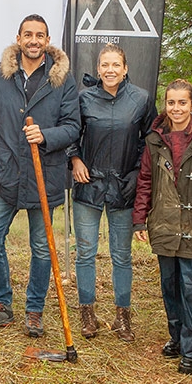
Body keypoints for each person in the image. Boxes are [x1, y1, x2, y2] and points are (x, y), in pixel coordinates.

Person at [0, 15, 80, 337]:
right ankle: (2, 304)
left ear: (47, 41)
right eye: (28, 35)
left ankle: (34, 311)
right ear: (18, 38)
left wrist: (45, 136)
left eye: (40, 36)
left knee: (42, 247)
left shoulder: (62, 80)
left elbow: (73, 126)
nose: (34, 41)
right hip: (5, 172)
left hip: (43, 175)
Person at [133, 79, 192, 374]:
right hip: (164, 224)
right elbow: (146, 180)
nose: (176, 108)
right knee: (170, 286)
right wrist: (140, 218)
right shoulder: (154, 140)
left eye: (182, 103)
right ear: (166, 104)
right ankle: (176, 339)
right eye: (171, 102)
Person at [68, 43, 154, 341]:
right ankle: (87, 314)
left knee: (122, 255)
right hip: (88, 185)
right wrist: (74, 159)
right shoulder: (84, 99)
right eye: (105, 64)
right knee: (85, 253)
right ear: (98, 68)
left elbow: (151, 141)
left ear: (125, 68)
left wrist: (137, 174)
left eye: (116, 64)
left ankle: (122, 317)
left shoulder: (141, 99)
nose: (110, 70)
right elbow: (71, 133)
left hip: (123, 188)